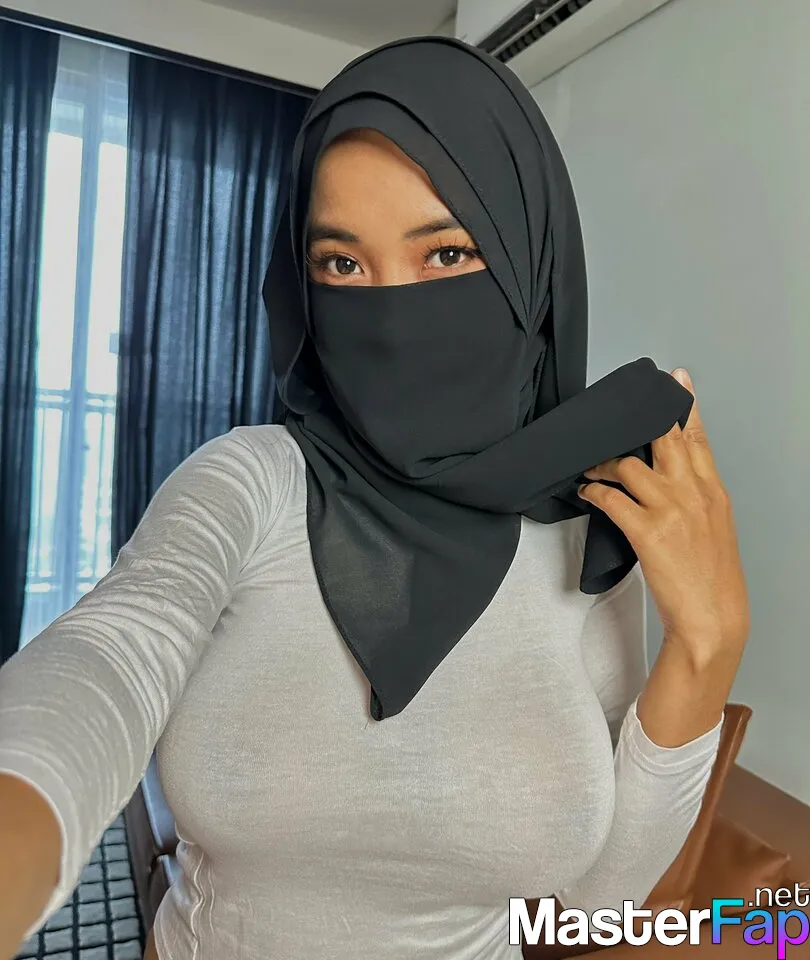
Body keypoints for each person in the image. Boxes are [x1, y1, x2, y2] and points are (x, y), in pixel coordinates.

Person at [0, 37, 749, 960]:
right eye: (343, 265)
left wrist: (710, 645)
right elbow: (112, 647)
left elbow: (594, 902)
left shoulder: (586, 532)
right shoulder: (251, 481)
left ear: (532, 272)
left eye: (446, 252)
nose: (391, 318)